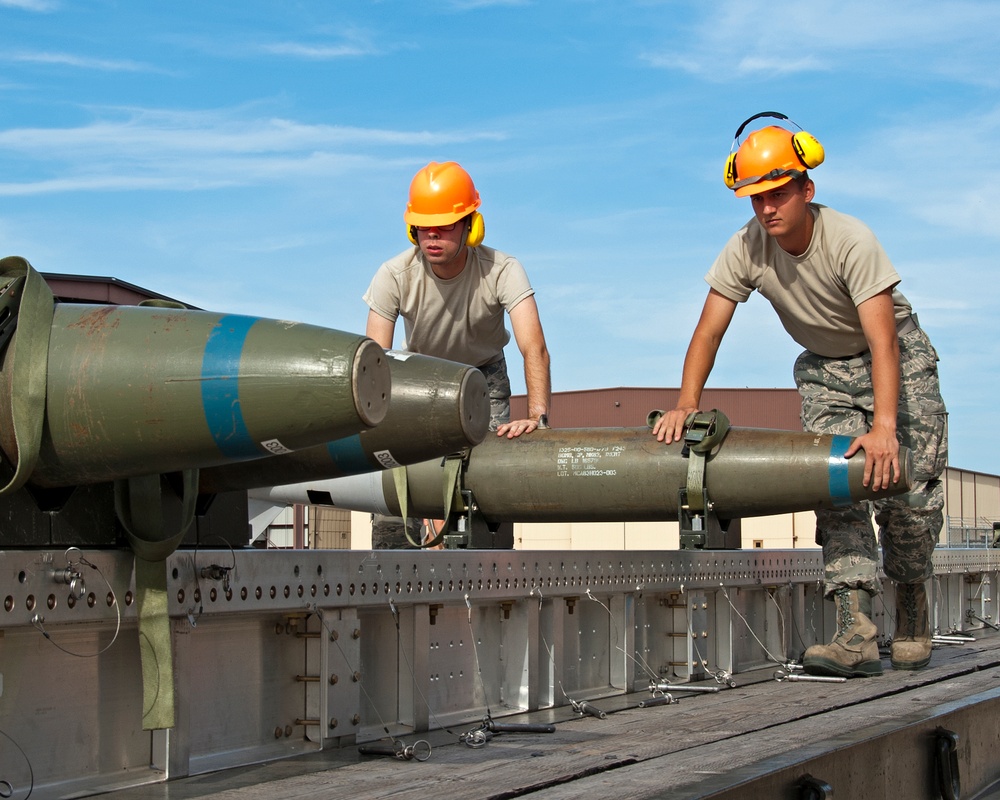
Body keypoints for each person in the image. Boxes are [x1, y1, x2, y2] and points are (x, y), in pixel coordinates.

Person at [652, 113, 948, 678]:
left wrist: (884, 427)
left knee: (905, 498)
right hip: (825, 370)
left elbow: (883, 342)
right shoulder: (746, 247)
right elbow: (709, 328)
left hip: (896, 364)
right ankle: (855, 632)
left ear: (806, 189)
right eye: (755, 197)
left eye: (779, 192)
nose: (767, 208)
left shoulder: (850, 240)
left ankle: (912, 609)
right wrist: (687, 401)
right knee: (836, 488)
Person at [364, 160, 551, 547]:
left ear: (471, 225)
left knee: (488, 486)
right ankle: (391, 585)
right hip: (415, 379)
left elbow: (533, 346)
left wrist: (538, 418)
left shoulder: (503, 270)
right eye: (422, 226)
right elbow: (374, 360)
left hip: (484, 377)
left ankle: (488, 576)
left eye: (445, 225)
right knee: (393, 492)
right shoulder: (393, 275)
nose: (432, 235)